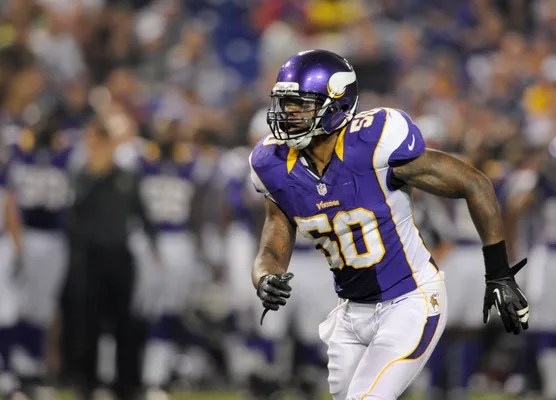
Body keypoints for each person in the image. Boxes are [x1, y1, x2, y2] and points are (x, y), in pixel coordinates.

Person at [249, 49, 530, 400]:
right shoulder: (272, 163)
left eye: (301, 104)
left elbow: (475, 184)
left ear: (336, 105)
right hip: (350, 313)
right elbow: (273, 243)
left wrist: (499, 272)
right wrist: (265, 276)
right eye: (285, 103)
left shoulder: (373, 144)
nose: (288, 113)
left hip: (409, 300)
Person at [64, 116, 157, 400]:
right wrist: (95, 171)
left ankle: (127, 384)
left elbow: (141, 212)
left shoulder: (126, 175)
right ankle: (87, 382)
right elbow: (73, 211)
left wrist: (155, 248)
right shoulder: (82, 175)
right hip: (90, 256)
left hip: (120, 253)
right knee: (88, 323)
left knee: (125, 323)